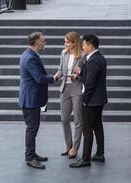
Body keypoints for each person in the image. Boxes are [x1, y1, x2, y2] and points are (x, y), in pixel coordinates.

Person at [18, 32, 56, 169]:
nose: (45, 43)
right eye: (43, 41)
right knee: (32, 128)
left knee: (33, 127)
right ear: (36, 42)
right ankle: (29, 157)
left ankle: (32, 154)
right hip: (30, 100)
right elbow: (39, 78)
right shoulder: (30, 58)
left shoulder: (29, 55)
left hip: (30, 98)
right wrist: (53, 78)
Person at [69, 34, 108, 168]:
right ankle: (99, 153)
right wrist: (80, 73)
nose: (82, 46)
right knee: (97, 126)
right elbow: (89, 78)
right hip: (98, 99)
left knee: (87, 130)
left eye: (84, 44)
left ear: (90, 45)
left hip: (92, 100)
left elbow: (90, 83)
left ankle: (85, 159)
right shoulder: (97, 58)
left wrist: (84, 101)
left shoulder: (94, 60)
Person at [54, 32, 84, 159]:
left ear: (74, 43)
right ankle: (68, 144)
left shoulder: (82, 55)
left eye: (67, 42)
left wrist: (78, 75)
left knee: (78, 120)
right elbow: (61, 69)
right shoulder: (64, 53)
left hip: (76, 89)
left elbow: (84, 72)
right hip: (65, 88)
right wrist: (56, 76)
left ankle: (75, 147)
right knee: (64, 119)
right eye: (65, 41)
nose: (65, 44)